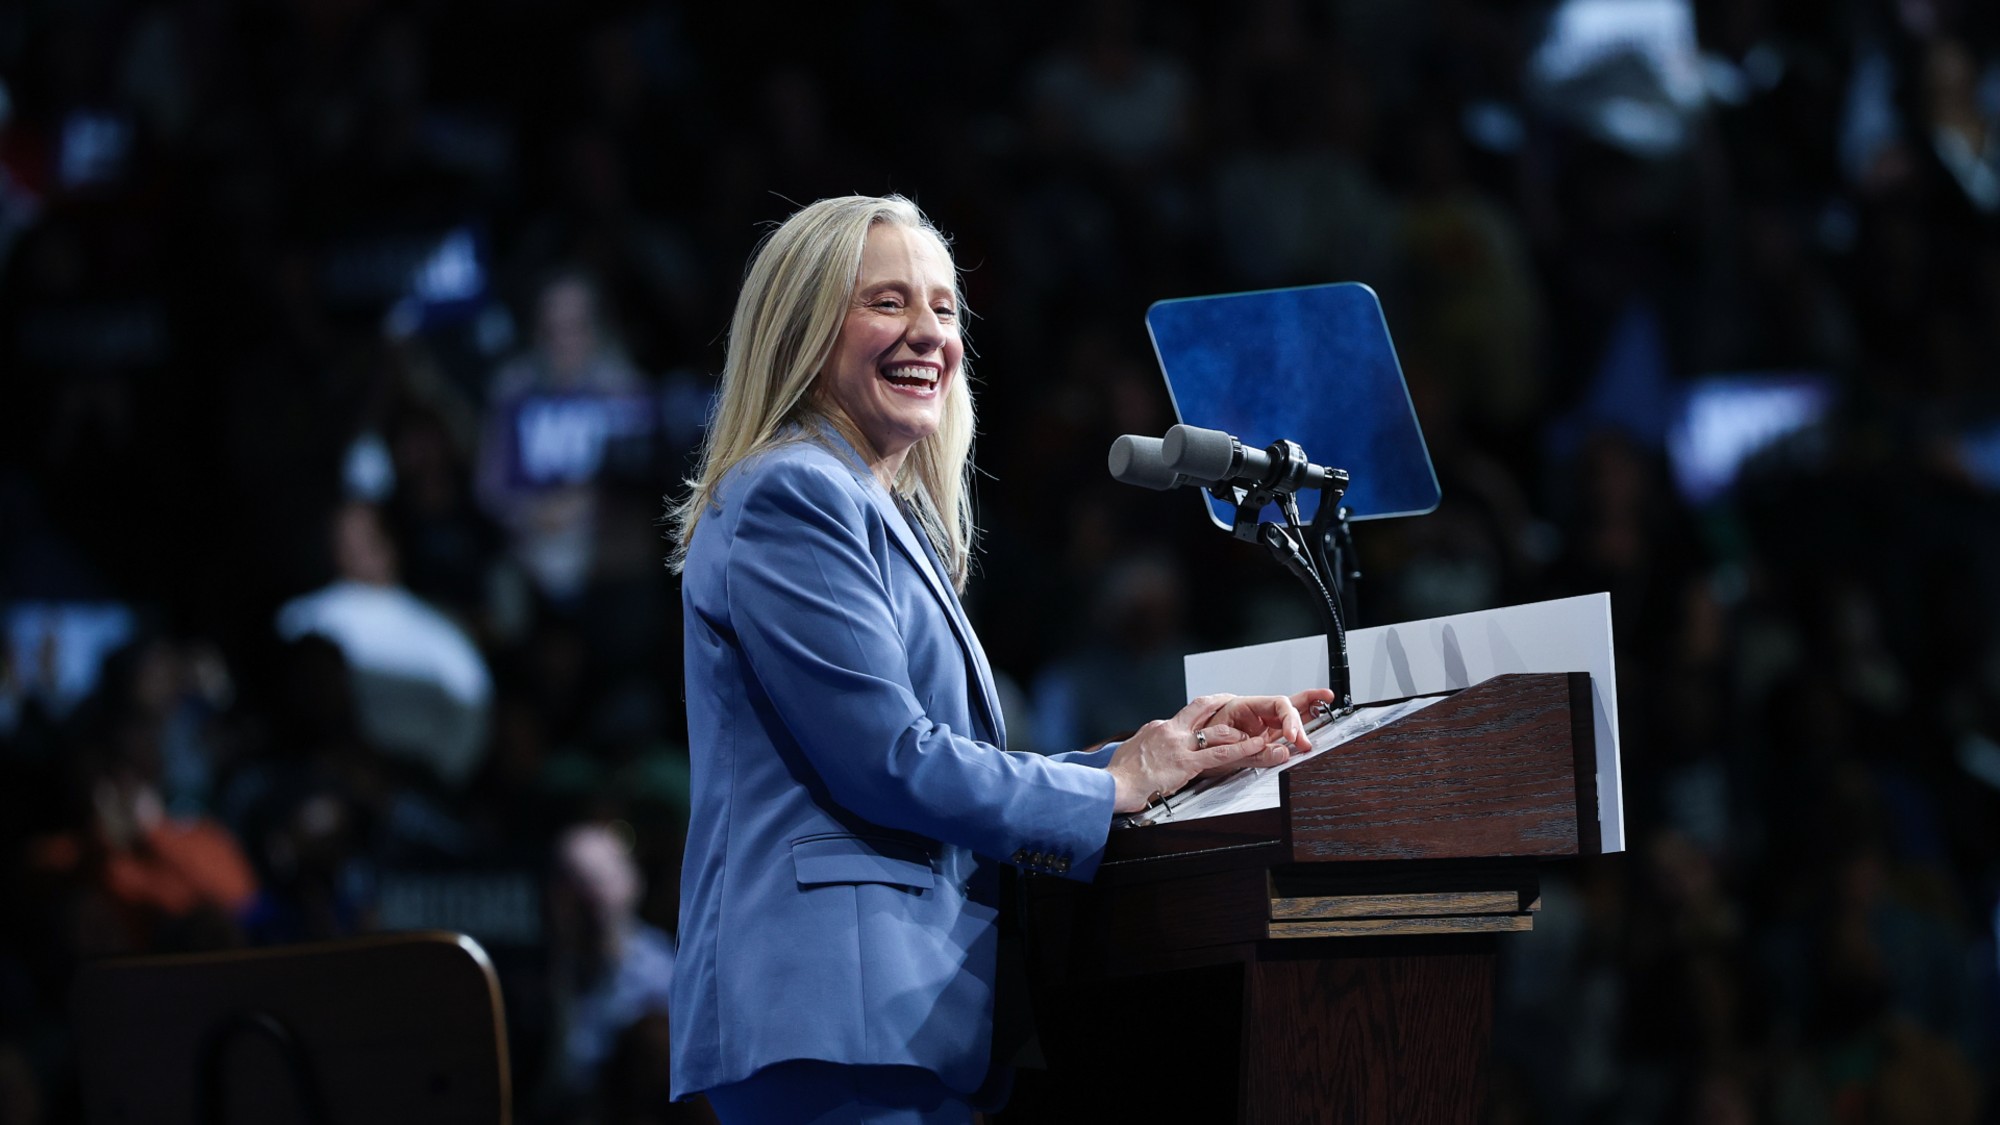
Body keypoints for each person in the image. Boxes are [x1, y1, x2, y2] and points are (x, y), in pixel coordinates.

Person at [665, 194, 1330, 1124]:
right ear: (803, 328)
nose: (927, 333)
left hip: (895, 1022)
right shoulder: (794, 493)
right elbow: (888, 758)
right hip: (836, 1022)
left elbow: (925, 754)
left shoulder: (870, 507)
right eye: (887, 302)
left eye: (943, 307)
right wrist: (1111, 788)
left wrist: (1151, 755)